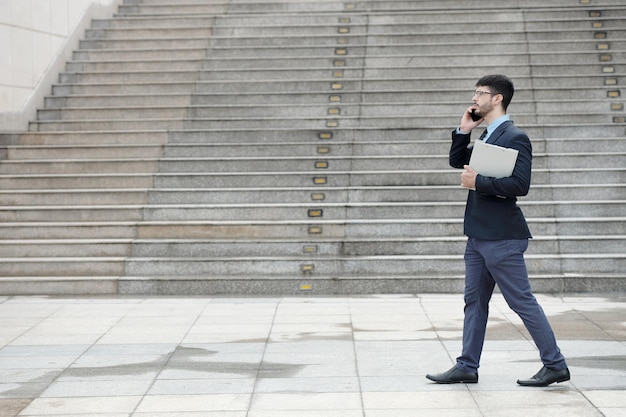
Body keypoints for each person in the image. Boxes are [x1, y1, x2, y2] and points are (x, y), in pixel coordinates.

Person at [425, 74, 570, 387]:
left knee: (521, 301)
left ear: (498, 98)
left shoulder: (515, 137)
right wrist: (464, 131)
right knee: (474, 302)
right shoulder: (488, 135)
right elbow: (456, 161)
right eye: (475, 92)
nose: (475, 98)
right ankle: (466, 365)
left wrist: (478, 182)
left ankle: (555, 364)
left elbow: (520, 185)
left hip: (502, 237)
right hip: (478, 235)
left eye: (481, 93)